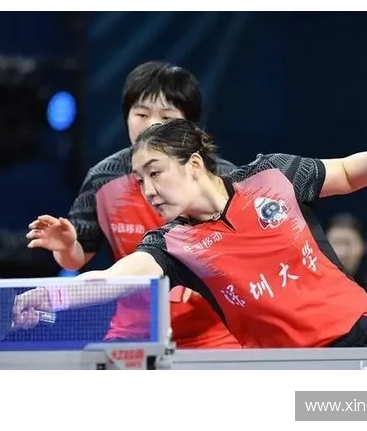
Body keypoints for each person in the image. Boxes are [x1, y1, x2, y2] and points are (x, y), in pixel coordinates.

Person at [16, 102, 367, 348]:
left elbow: (346, 174)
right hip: (286, 370)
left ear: (194, 164)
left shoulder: (272, 175)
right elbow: (113, 279)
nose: (148, 190)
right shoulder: (172, 244)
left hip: (362, 339)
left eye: (155, 172)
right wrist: (51, 296)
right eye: (140, 181)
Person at [26, 61, 241, 349]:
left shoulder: (221, 179)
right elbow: (75, 260)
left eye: (166, 116)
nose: (151, 125)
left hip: (216, 334)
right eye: (141, 114)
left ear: (190, 126)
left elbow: (245, 260)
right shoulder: (104, 178)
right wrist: (66, 246)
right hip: (133, 332)